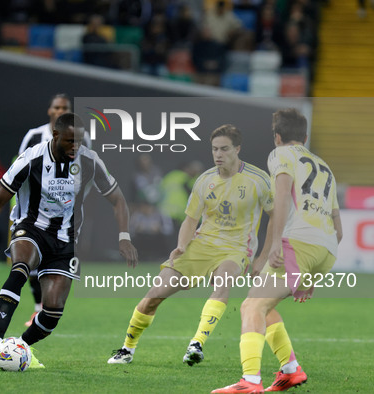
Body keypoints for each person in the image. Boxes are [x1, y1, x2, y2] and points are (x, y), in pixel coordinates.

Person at [0, 113, 138, 368]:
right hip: (31, 227)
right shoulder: (31, 158)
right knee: (20, 268)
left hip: (66, 240)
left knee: (53, 311)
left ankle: (20, 348)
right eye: (70, 141)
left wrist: (124, 237)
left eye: (79, 141)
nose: (75, 147)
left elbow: (118, 199)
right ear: (55, 135)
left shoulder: (89, 162)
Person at [108, 124, 274, 366]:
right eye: (215, 149)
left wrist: (263, 257)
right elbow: (191, 219)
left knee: (222, 283)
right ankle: (127, 349)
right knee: (154, 295)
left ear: (238, 148)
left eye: (224, 149)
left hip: (236, 248)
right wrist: (182, 246)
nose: (218, 154)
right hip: (201, 245)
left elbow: (276, 217)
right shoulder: (204, 180)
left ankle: (197, 344)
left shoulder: (258, 180)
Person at [211, 109, 342, 393]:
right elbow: (338, 227)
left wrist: (273, 245)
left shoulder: (281, 154)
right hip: (326, 250)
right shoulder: (324, 166)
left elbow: (281, 197)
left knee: (251, 306)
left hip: (297, 244)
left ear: (277, 136)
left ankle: (250, 381)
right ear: (305, 137)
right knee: (263, 305)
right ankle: (291, 370)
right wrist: (312, 277)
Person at [18, 93, 91, 327]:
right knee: (29, 261)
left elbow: (88, 171)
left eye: (65, 107)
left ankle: (48, 310)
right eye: (56, 107)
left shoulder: (83, 138)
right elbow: (18, 168)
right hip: (34, 211)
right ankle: (38, 308)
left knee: (57, 261)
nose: (60, 111)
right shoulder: (34, 136)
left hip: (66, 214)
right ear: (50, 110)